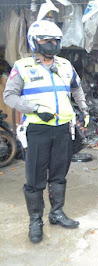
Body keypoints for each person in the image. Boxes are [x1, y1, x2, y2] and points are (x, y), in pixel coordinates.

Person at [3, 20, 89, 243]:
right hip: (38, 130)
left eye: (55, 40)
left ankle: (57, 213)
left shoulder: (65, 64)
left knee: (59, 174)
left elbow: (76, 88)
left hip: (63, 129)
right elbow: (9, 96)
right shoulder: (22, 66)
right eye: (46, 40)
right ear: (34, 41)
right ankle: (35, 220)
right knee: (35, 178)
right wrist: (35, 109)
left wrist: (84, 108)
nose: (51, 44)